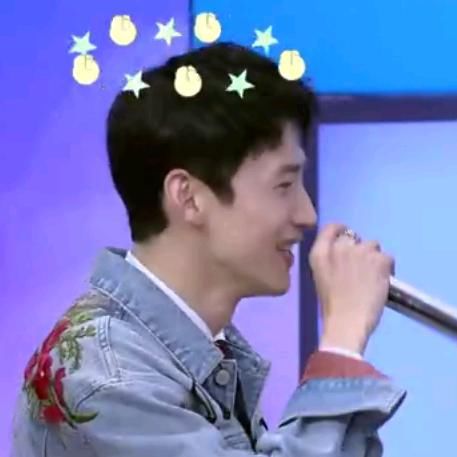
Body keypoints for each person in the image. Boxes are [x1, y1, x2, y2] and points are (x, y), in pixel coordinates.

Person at [11, 42, 406, 457]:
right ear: (189, 197)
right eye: (284, 185)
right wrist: (342, 340)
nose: (307, 215)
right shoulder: (107, 374)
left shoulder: (196, 354)